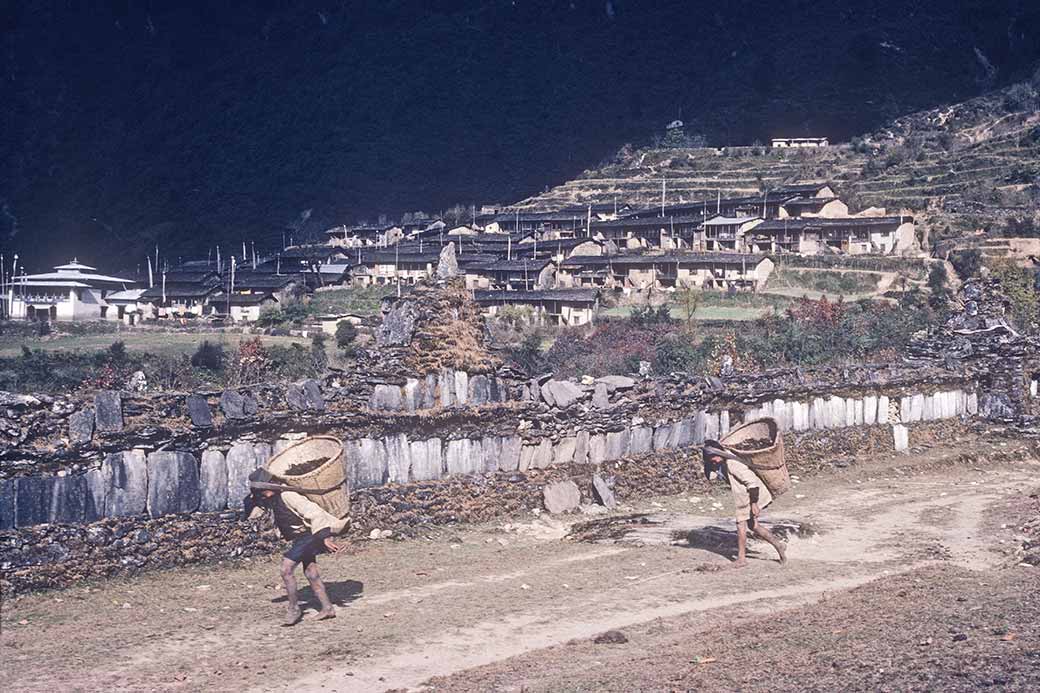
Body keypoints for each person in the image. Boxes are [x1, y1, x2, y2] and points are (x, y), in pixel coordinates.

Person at [246, 468, 349, 626]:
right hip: (301, 538)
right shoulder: (274, 498)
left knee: (286, 570)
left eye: (262, 490)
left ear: (270, 485)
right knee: (311, 573)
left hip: (309, 536)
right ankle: (327, 608)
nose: (262, 494)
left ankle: (294, 609)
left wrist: (325, 537)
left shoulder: (289, 495)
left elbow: (315, 513)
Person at [702, 440, 787, 567]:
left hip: (751, 496)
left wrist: (754, 504)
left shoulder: (733, 464)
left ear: (719, 453)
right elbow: (711, 476)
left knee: (740, 524)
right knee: (753, 526)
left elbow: (753, 484)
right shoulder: (723, 462)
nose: (713, 460)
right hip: (745, 497)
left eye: (713, 457)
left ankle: (741, 559)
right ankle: (778, 545)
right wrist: (708, 463)